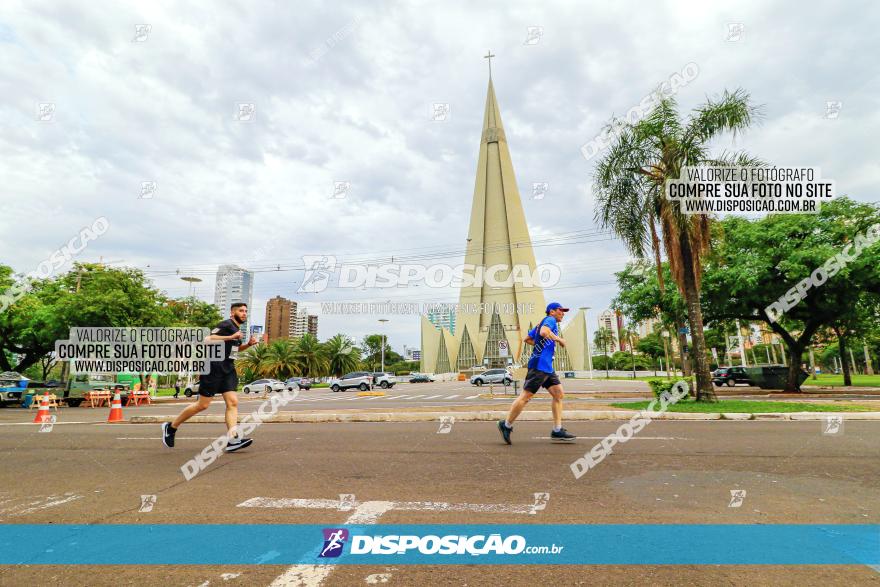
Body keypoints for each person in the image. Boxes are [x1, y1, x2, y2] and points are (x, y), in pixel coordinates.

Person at [162, 303, 261, 451]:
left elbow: (233, 351)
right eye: (241, 311)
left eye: (246, 311)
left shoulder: (237, 330)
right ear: (232, 313)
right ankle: (171, 427)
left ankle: (233, 439)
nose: (244, 313)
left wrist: (248, 345)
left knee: (233, 402)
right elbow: (207, 339)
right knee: (202, 405)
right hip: (213, 368)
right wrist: (230, 337)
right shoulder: (226, 325)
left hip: (228, 369)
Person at [498, 302, 576, 444]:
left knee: (558, 394)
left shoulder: (541, 323)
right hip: (539, 365)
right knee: (526, 397)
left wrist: (541, 344)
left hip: (547, 366)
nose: (563, 313)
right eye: (560, 310)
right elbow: (544, 333)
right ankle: (506, 424)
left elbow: (527, 339)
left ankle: (557, 430)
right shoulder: (550, 320)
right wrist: (559, 340)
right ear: (552, 311)